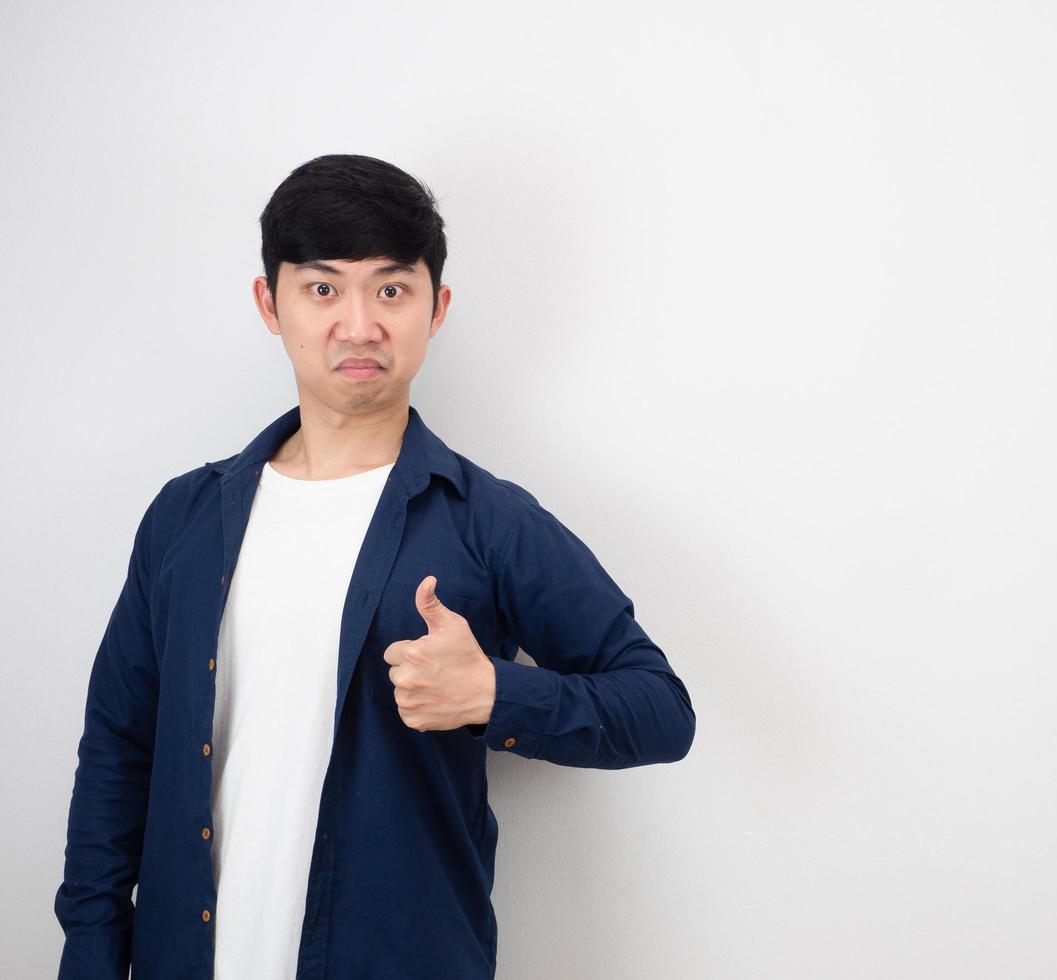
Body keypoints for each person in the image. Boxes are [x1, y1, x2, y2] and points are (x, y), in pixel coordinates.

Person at [53, 153, 696, 980]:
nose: (358, 325)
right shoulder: (185, 516)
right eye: (322, 288)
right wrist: (92, 953)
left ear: (437, 308)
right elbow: (117, 747)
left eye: (391, 289)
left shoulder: (488, 522)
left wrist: (495, 694)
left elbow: (659, 709)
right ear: (269, 303)